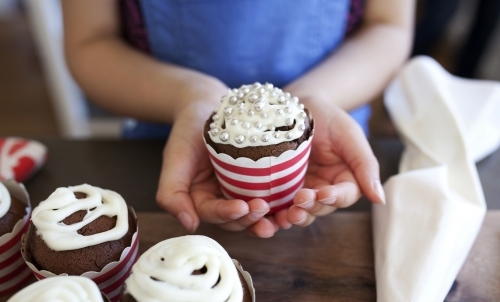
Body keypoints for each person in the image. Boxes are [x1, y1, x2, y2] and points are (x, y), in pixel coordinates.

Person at [62, 0, 414, 238]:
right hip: (167, 150)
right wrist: (190, 96)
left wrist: (313, 99)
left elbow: (388, 25)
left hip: (326, 145)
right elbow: (90, 42)